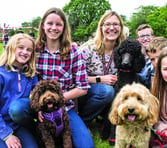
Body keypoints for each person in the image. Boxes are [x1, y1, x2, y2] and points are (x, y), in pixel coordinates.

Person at [35, 7, 94, 147]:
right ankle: (29, 129)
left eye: (58, 24)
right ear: (43, 25)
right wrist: (38, 106)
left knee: (86, 145)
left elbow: (83, 87)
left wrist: (56, 99)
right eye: (50, 23)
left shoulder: (74, 51)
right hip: (39, 108)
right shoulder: (35, 50)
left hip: (65, 108)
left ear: (64, 27)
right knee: (18, 109)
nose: (53, 28)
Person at [79, 10, 126, 140]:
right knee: (106, 91)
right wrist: (99, 79)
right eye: (107, 24)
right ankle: (82, 121)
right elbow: (73, 77)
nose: (112, 28)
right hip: (84, 91)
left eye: (116, 24)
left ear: (121, 28)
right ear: (101, 27)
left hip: (105, 90)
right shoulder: (87, 48)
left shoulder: (122, 49)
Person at [0, 33, 38, 148]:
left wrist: (41, 110)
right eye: (21, 48)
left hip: (18, 124)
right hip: (2, 124)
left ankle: (32, 131)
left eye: (29, 50)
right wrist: (6, 135)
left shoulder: (30, 74)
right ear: (11, 48)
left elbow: (38, 94)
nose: (25, 52)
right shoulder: (1, 73)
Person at [136, 24, 154, 89]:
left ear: (152, 37)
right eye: (142, 36)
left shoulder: (159, 55)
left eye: (148, 35)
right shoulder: (135, 57)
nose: (145, 39)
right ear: (138, 39)